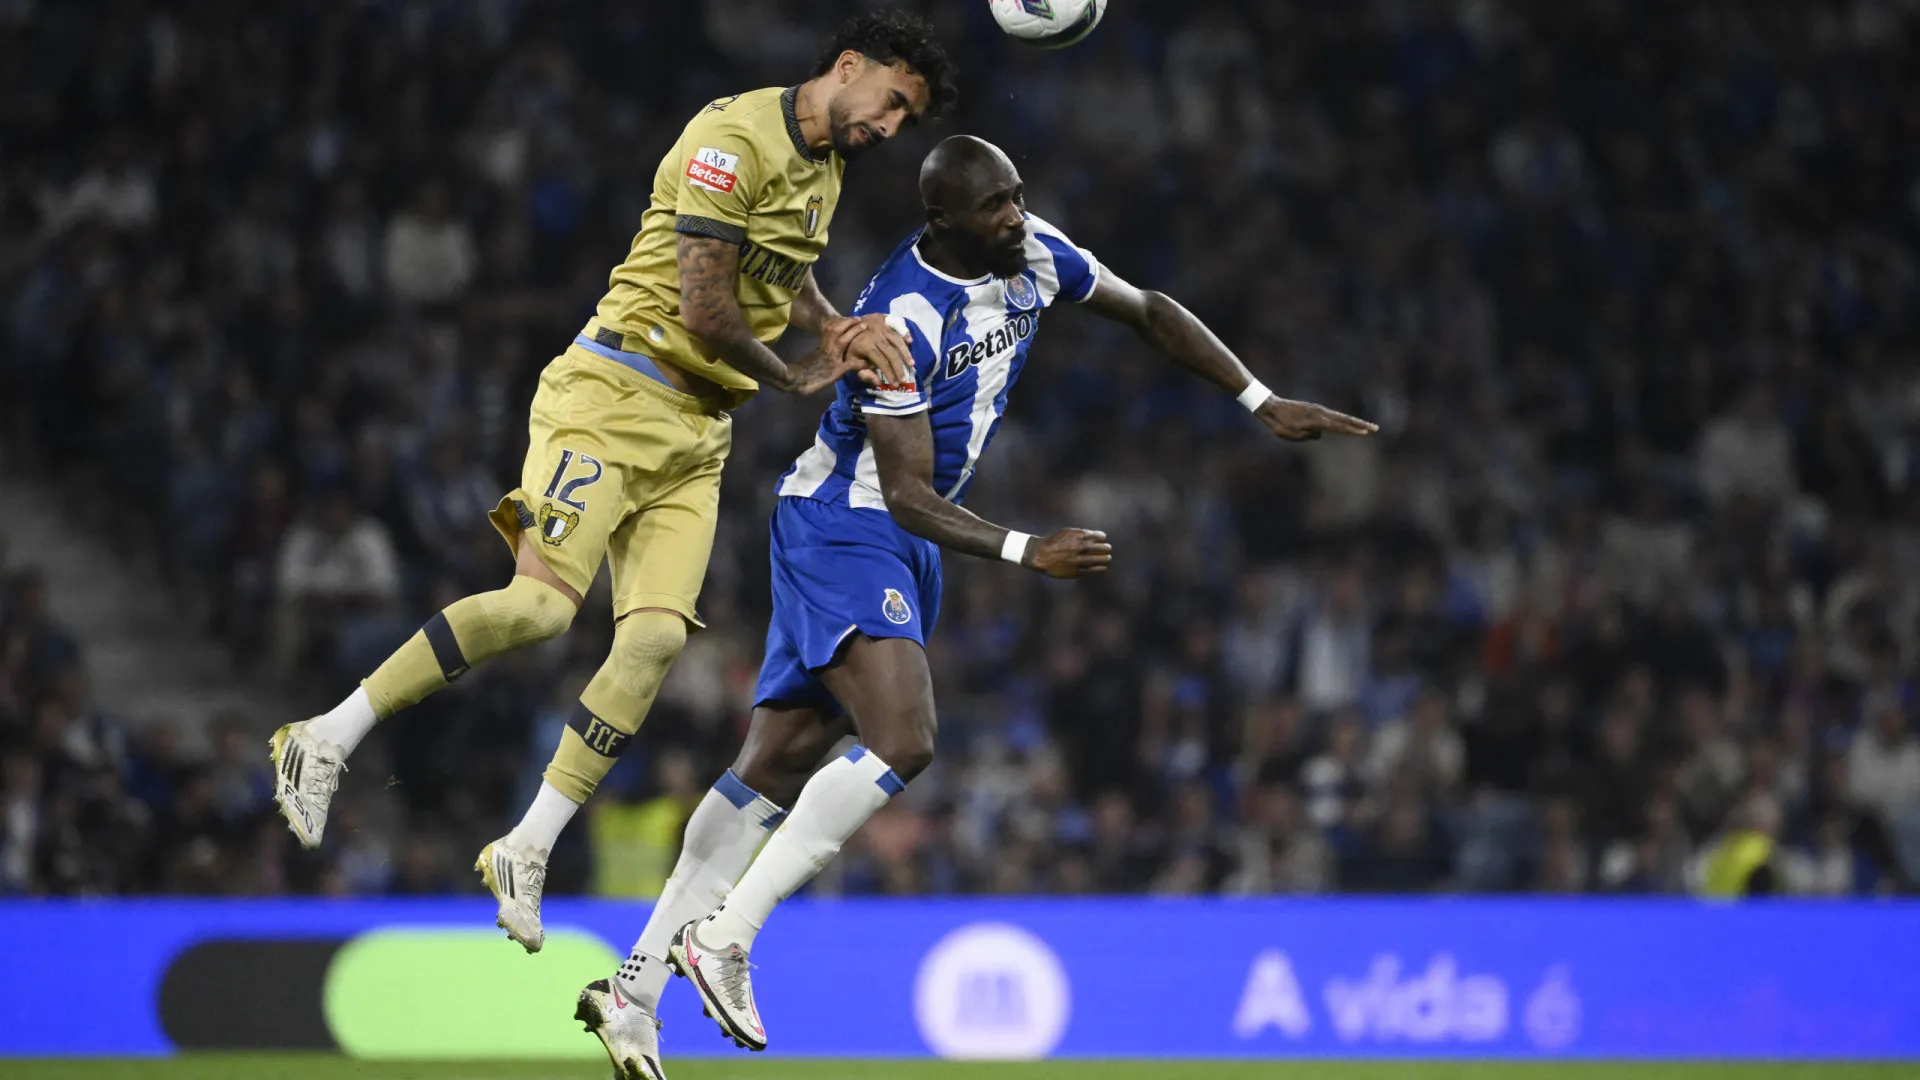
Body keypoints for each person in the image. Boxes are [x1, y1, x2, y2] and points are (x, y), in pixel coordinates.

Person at [576, 134, 1373, 1077]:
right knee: (905, 738)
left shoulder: (1035, 252)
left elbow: (1149, 310)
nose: (1016, 215)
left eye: (1017, 195)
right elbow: (906, 491)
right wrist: (1028, 549)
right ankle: (726, 936)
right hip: (848, 522)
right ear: (943, 220)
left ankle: (631, 992)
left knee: (776, 762)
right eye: (996, 204)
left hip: (904, 539)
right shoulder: (901, 320)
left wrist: (1258, 398)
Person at [269, 10, 955, 960]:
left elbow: (780, 271)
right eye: (892, 102)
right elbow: (706, 304)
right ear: (848, 67)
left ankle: (526, 844)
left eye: (905, 119)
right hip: (614, 392)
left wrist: (831, 324)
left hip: (698, 432)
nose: (890, 127)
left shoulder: (825, 166)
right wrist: (799, 374)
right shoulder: (731, 140)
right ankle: (326, 736)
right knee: (540, 609)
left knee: (657, 640)